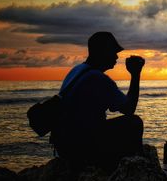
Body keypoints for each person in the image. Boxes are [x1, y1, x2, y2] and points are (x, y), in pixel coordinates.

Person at [52, 31, 145, 170]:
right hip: (80, 146)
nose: (116, 56)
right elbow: (129, 109)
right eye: (113, 51)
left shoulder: (77, 70)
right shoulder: (98, 79)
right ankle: (128, 170)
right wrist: (136, 74)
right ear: (103, 52)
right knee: (134, 122)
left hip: (64, 145)